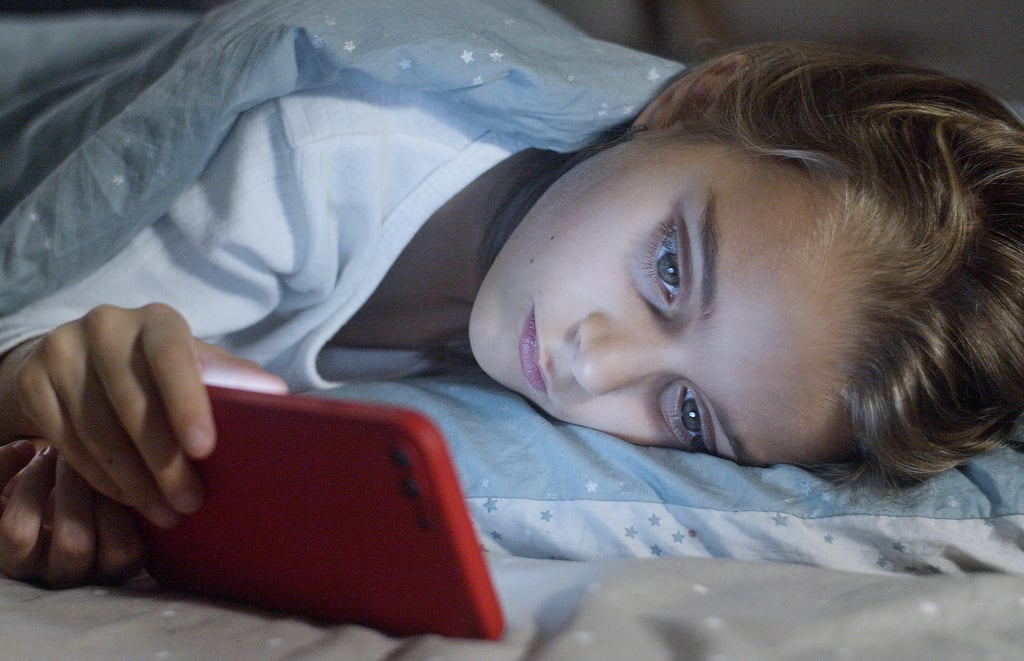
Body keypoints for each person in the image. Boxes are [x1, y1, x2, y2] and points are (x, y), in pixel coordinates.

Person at [2, 40, 1024, 588]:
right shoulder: (310, 152)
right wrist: (41, 382)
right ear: (691, 102)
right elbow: (30, 339)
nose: (596, 365)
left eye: (687, 414)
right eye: (669, 269)